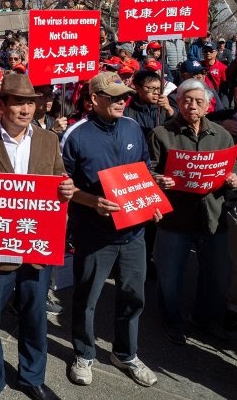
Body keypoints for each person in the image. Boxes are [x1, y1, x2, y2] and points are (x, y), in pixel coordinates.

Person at [0, 74, 74, 400]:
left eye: (30, 102)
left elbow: (59, 180)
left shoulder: (48, 140)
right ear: (1, 106)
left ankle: (32, 378)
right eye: (18, 102)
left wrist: (66, 187)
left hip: (36, 247)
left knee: (35, 318)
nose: (26, 109)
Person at [61, 72, 160, 388]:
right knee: (87, 299)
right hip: (95, 235)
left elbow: (143, 172)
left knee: (133, 297)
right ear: (94, 100)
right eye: (114, 96)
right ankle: (84, 353)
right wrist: (93, 202)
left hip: (134, 234)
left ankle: (126, 353)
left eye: (124, 96)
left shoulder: (133, 127)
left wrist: (152, 200)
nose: (122, 101)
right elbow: (63, 188)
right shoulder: (75, 135)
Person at [148, 78, 237, 345]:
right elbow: (148, 170)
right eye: (186, 100)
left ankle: (207, 319)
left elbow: (232, 169)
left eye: (199, 101)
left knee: (216, 276)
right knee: (170, 276)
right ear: (177, 103)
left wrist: (235, 178)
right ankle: (173, 322)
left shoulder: (222, 136)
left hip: (213, 217)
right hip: (175, 218)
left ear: (209, 105)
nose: (192, 106)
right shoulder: (161, 134)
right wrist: (158, 179)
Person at [124, 70, 175, 138]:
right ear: (138, 88)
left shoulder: (165, 108)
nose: (156, 92)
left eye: (158, 88)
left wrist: (170, 110)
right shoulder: (127, 112)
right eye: (151, 88)